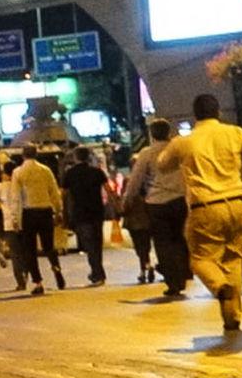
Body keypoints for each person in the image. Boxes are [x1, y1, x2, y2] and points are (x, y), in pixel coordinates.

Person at [157, 94, 242, 333]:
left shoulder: (185, 141)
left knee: (200, 260)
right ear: (218, 112)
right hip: (238, 205)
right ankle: (232, 317)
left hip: (205, 208)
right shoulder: (234, 133)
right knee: (233, 259)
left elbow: (162, 164)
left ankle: (219, 287)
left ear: (195, 115)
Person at [123, 119, 189, 297]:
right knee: (179, 238)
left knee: (163, 243)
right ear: (169, 132)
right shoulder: (179, 149)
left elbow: (136, 179)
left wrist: (128, 199)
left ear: (151, 134)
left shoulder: (147, 153)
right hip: (179, 200)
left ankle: (173, 281)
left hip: (156, 203)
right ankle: (183, 273)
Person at [12, 144, 64, 295]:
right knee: (49, 245)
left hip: (29, 212)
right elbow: (54, 191)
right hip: (45, 211)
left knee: (30, 250)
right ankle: (56, 267)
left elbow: (15, 197)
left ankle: (38, 282)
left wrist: (15, 217)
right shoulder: (45, 170)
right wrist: (59, 210)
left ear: (23, 155)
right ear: (36, 154)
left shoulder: (18, 172)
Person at [60, 147, 111, 286]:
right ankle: (97, 272)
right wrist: (115, 205)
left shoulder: (70, 173)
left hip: (80, 213)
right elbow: (108, 189)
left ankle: (97, 273)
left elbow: (63, 194)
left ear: (76, 158)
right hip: (97, 211)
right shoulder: (97, 172)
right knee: (97, 242)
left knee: (89, 244)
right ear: (88, 157)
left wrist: (62, 212)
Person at [0, 161, 25, 290]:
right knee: (24, 251)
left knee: (15, 253)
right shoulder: (21, 185)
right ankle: (26, 273)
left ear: (4, 173)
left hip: (9, 223)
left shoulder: (1, 186)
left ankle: (20, 281)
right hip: (23, 221)